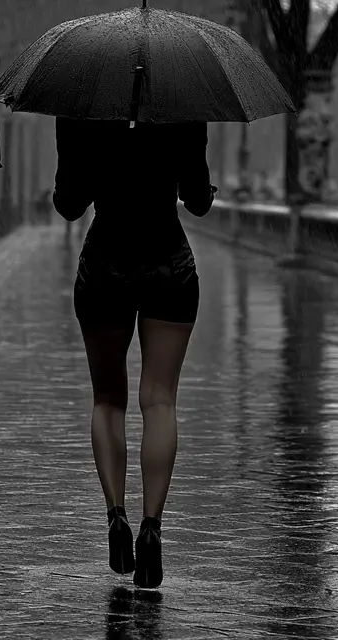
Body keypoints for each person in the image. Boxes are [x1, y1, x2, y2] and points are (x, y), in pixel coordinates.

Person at [53, 116, 216, 589]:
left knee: (108, 400)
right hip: (170, 265)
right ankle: (151, 529)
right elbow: (199, 201)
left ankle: (116, 517)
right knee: (160, 400)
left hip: (106, 267)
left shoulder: (83, 105)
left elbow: (68, 203)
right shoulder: (182, 104)